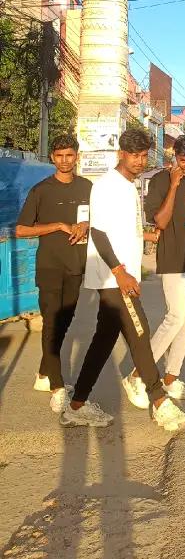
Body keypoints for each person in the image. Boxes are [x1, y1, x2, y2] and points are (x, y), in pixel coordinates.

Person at [59, 128, 185, 432]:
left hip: (121, 274)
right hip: (113, 276)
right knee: (140, 334)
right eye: (134, 155)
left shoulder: (130, 186)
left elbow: (122, 230)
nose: (140, 161)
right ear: (121, 154)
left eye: (144, 156)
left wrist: (147, 238)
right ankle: (160, 401)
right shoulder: (107, 186)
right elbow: (99, 232)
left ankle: (76, 406)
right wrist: (120, 271)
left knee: (103, 341)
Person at [123, 134, 185, 407]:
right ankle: (137, 374)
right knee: (175, 316)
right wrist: (173, 185)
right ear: (174, 157)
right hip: (171, 259)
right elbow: (159, 221)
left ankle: (171, 378)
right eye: (183, 160)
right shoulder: (160, 181)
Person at [15, 134, 92, 413]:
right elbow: (21, 230)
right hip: (49, 266)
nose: (64, 161)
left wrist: (86, 225)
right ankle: (58, 387)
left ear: (76, 156)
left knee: (64, 322)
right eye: (59, 156)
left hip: (76, 265)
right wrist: (58, 225)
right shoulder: (41, 190)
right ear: (52, 158)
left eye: (69, 155)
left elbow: (97, 219)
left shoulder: (87, 187)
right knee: (51, 322)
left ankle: (43, 372)